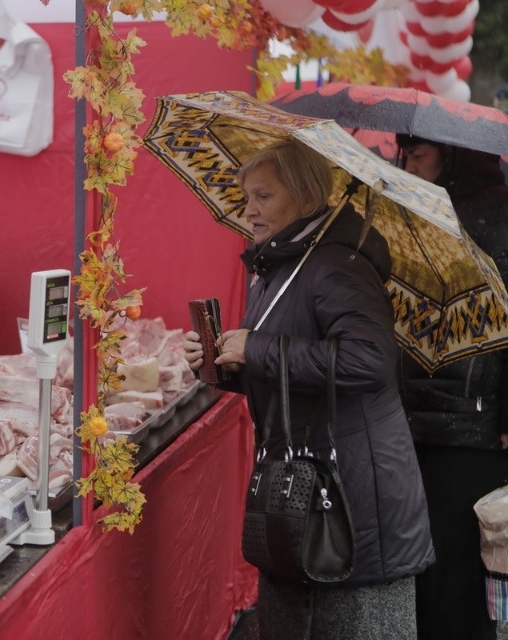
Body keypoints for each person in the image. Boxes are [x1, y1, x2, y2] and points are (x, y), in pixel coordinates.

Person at [184, 140, 435, 639]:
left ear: (303, 199)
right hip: (304, 486)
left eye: (262, 196)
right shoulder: (277, 264)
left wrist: (259, 348)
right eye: (246, 195)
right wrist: (226, 363)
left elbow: (369, 361)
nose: (248, 209)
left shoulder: (339, 264)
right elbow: (288, 362)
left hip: (354, 497)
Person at [396, 134, 508, 640]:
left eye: (418, 152)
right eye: (404, 153)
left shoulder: (498, 215)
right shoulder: (418, 205)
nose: (408, 162)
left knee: (462, 562)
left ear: (452, 153)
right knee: (427, 559)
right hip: (417, 411)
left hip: (476, 421)